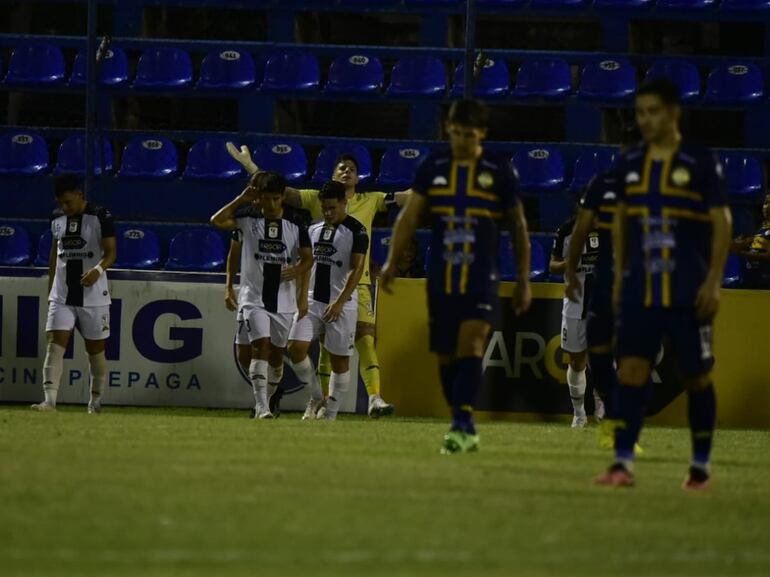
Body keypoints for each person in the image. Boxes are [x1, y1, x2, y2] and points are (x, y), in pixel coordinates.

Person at [595, 79, 731, 490]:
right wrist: (620, 276)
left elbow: (722, 223)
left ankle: (701, 466)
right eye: (640, 113)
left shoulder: (699, 161)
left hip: (688, 286)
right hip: (640, 286)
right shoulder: (629, 164)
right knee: (631, 370)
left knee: (695, 376)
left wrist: (713, 282)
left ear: (674, 113)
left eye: (653, 111)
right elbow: (620, 220)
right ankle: (622, 463)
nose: (645, 120)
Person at [381, 99, 532, 454]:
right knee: (447, 359)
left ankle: (462, 425)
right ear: (448, 129)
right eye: (457, 132)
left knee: (472, 343)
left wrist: (523, 279)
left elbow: (519, 227)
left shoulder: (498, 171)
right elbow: (410, 217)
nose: (462, 140)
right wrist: (389, 262)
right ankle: (461, 416)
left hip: (482, 273)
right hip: (442, 274)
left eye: (470, 134)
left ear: (483, 133)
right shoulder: (434, 167)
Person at [227, 143, 407, 418]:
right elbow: (277, 192)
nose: (347, 171)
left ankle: (373, 399)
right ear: (332, 175)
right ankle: (317, 401)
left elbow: (407, 197)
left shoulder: (371, 199)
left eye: (352, 169)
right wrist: (252, 168)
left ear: (358, 179)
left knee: (363, 341)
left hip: (354, 286)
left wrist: (438, 183)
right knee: (310, 349)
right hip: (314, 290)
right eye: (341, 167)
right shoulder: (313, 201)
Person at [211, 171, 313, 419]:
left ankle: (269, 396)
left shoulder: (296, 222)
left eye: (275, 199)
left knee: (275, 356)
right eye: (265, 198)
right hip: (252, 297)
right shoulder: (247, 217)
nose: (270, 204)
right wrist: (240, 199)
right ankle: (262, 407)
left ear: (282, 198)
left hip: (284, 300)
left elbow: (308, 258)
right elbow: (216, 221)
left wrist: (298, 272)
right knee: (258, 349)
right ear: (259, 197)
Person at [32, 174, 116, 414]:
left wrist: (98, 270)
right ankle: (49, 401)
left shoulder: (101, 216)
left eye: (68, 202)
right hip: (62, 295)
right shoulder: (57, 217)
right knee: (55, 344)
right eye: (61, 203)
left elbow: (111, 252)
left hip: (93, 295)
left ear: (80, 195)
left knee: (95, 350)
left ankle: (95, 402)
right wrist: (51, 288)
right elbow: (54, 253)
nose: (64, 207)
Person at [286, 181, 369, 421]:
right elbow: (304, 265)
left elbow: (358, 268)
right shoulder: (313, 229)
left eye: (333, 208)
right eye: (324, 208)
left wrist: (341, 301)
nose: (328, 212)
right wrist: (301, 299)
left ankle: (330, 415)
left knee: (339, 360)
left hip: (341, 303)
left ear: (345, 203)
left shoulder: (357, 231)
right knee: (295, 348)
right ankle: (315, 396)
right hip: (312, 301)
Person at [550, 212, 604, 428]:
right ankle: (579, 413)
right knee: (576, 361)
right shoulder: (565, 231)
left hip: (602, 303)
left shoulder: (610, 228)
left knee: (603, 359)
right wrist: (569, 264)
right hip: (574, 304)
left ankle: (602, 405)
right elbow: (552, 266)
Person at [731, 193, 770, 289]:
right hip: (750, 275)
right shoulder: (759, 229)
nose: (767, 207)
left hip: (765, 279)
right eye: (765, 203)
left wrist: (741, 253)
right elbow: (744, 243)